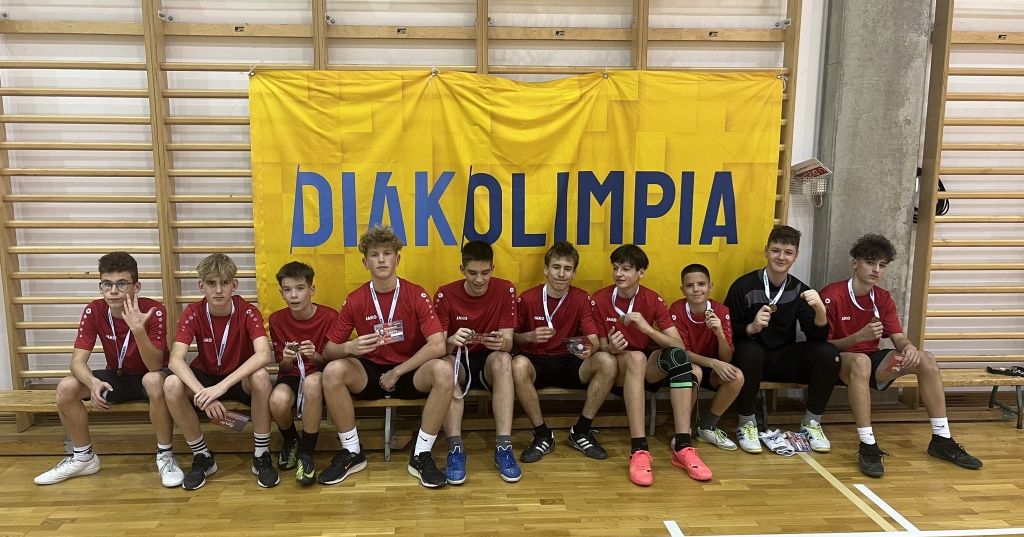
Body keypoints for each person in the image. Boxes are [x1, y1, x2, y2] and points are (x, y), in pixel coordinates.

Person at [821, 233, 982, 477]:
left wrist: (908, 348)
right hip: (839, 361)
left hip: (871, 361)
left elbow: (897, 336)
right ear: (855, 263)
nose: (876, 270)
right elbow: (823, 347)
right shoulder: (832, 294)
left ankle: (942, 439)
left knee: (926, 359)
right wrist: (858, 338)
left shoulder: (883, 298)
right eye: (870, 263)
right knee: (861, 361)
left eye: (882, 265)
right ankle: (867, 444)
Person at [319, 226, 453, 489]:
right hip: (369, 371)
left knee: (444, 371)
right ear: (365, 262)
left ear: (397, 259)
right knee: (333, 371)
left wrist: (398, 371)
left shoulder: (416, 294)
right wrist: (350, 347)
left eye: (387, 253)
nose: (381, 259)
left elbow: (438, 345)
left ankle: (421, 454)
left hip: (409, 370)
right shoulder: (355, 299)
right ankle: (352, 452)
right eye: (374, 254)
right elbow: (328, 351)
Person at [34, 252, 176, 486]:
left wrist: (138, 330)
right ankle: (84, 457)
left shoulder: (154, 310)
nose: (113, 291)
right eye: (107, 284)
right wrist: (93, 383)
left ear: (136, 287)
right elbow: (77, 362)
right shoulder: (94, 310)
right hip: (119, 377)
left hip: (153, 377)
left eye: (122, 284)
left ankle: (165, 456)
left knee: (152, 380)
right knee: (66, 387)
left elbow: (154, 364)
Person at [594, 244, 711, 486]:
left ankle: (683, 446)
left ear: (641, 272)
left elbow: (678, 345)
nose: (619, 274)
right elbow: (598, 347)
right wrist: (611, 348)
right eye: (616, 268)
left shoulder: (652, 298)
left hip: (644, 368)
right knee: (636, 357)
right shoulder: (600, 298)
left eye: (626, 269)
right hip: (618, 366)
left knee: (678, 357)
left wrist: (647, 329)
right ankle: (639, 449)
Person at [163, 253, 277, 490]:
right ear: (201, 285)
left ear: (234, 285)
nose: (218, 290)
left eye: (224, 283)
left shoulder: (247, 311)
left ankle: (261, 454)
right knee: (171, 384)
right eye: (211, 283)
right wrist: (204, 394)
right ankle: (202, 455)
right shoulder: (193, 312)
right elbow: (175, 360)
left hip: (237, 379)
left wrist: (220, 388)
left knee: (261, 376)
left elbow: (264, 354)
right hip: (206, 379)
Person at [724, 225, 841, 454]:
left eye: (788, 252)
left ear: (796, 256)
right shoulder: (743, 286)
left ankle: (812, 423)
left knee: (828, 353)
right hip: (750, 359)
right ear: (766, 251)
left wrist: (820, 311)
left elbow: (816, 337)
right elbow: (727, 330)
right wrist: (751, 327)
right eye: (776, 250)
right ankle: (747, 423)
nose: (781, 257)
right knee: (749, 351)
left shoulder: (799, 289)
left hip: (783, 357)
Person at [511, 241, 617, 463]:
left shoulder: (581, 298)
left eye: (567, 269)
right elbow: (511, 337)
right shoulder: (527, 298)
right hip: (536, 361)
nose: (561, 274)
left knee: (607, 361)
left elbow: (594, 341)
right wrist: (529, 336)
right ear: (545, 269)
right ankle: (542, 435)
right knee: (517, 364)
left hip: (570, 361)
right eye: (556, 267)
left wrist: (586, 348)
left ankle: (581, 431)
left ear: (574, 273)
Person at [435, 240, 520, 484]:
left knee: (504, 359)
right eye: (472, 273)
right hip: (459, 361)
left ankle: (503, 447)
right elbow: (438, 347)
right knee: (445, 366)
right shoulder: (445, 293)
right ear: (462, 269)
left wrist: (500, 342)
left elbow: (509, 343)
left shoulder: (505, 289)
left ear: (493, 268)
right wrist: (451, 340)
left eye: (485, 272)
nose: (479, 279)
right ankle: (455, 449)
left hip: (489, 362)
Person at [267, 261, 337, 485]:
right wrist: (287, 359)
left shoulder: (329, 317)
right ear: (281, 293)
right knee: (277, 401)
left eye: (300, 288)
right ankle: (291, 440)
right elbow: (283, 368)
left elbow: (332, 362)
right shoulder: (276, 320)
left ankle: (306, 455)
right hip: (292, 376)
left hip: (319, 375)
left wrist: (315, 356)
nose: (294, 295)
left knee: (312, 384)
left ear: (312, 289)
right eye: (287, 290)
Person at [668, 263, 743, 451]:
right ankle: (683, 431)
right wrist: (713, 363)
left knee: (736, 377)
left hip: (712, 367)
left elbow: (726, 357)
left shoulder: (721, 311)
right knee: (694, 373)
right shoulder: (677, 309)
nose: (696, 289)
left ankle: (707, 426)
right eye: (690, 285)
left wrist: (719, 334)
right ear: (682, 289)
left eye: (701, 284)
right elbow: (681, 352)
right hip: (687, 365)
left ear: (710, 286)